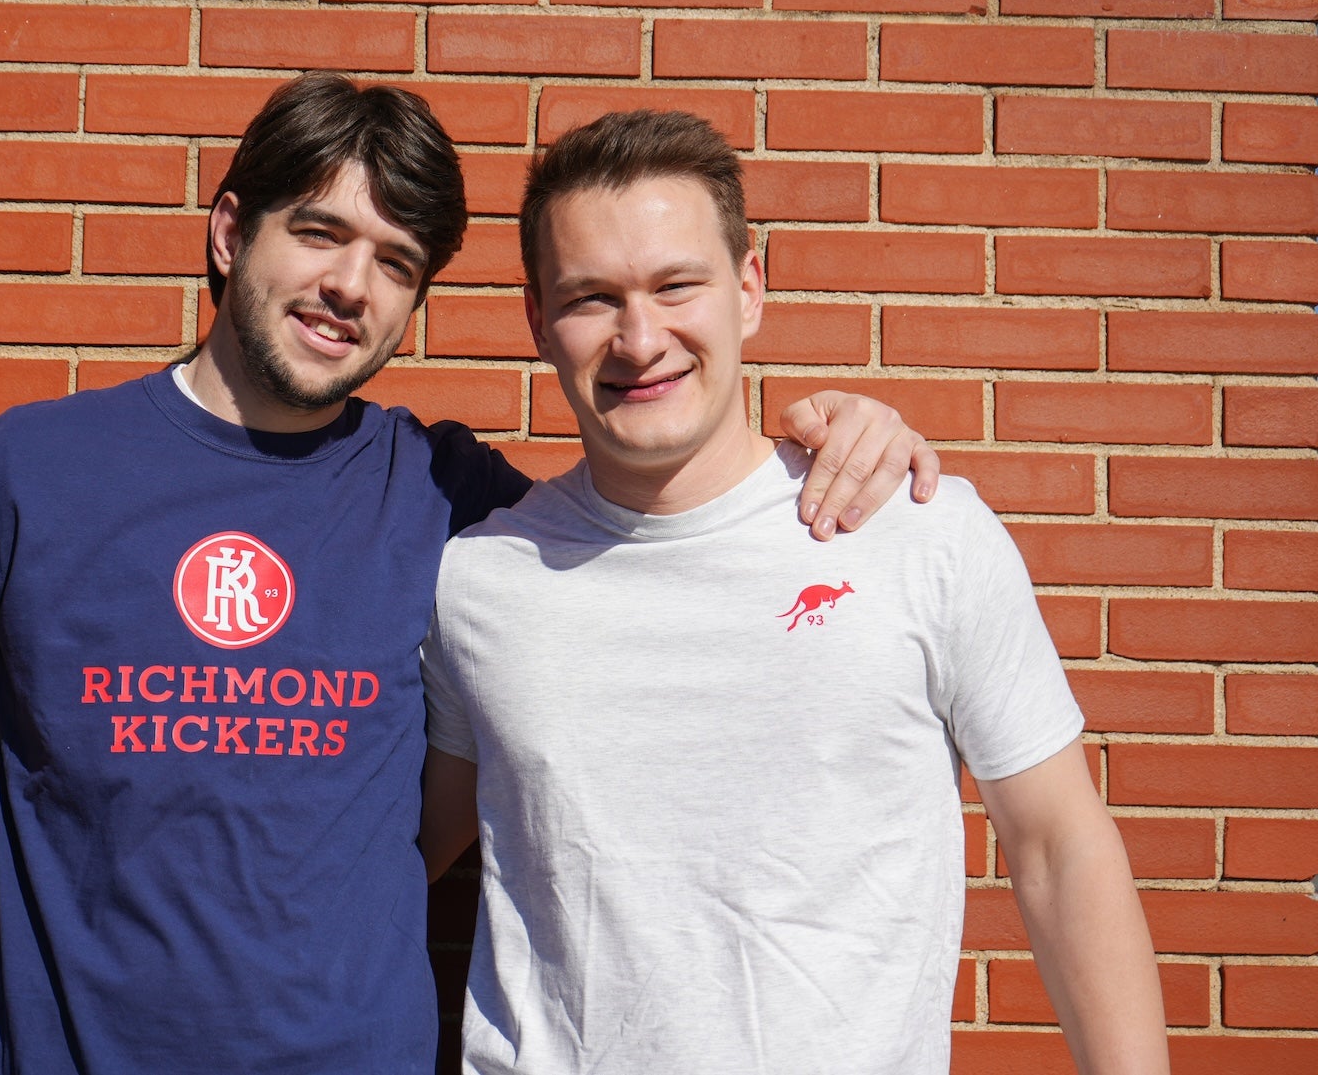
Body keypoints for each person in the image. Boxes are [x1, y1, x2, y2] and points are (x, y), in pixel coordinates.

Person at [0, 74, 939, 1075]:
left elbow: (666, 521)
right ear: (230, 233)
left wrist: (826, 445)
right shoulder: (29, 474)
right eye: (319, 232)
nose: (350, 288)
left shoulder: (448, 496)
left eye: (397, 260)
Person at [417, 109, 1170, 1075]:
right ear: (537, 319)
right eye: (592, 297)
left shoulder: (916, 529)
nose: (641, 338)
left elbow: (1059, 847)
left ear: (750, 287)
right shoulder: (479, 582)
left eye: (676, 285)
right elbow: (393, 847)